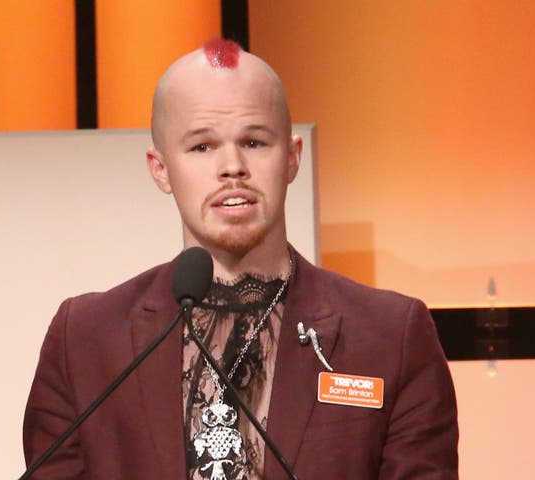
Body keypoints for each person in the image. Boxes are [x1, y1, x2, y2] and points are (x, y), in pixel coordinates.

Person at [23, 39, 458, 479]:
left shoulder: (390, 336)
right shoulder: (84, 340)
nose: (232, 166)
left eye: (254, 141)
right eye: (202, 147)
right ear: (160, 169)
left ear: (291, 158)